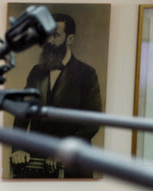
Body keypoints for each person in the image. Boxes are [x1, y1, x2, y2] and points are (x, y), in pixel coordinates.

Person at [11, 13, 102, 179]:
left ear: (70, 39)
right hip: (35, 163)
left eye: (55, 35)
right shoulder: (36, 72)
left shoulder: (87, 74)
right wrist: (18, 148)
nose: (48, 41)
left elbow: (92, 122)